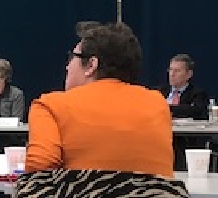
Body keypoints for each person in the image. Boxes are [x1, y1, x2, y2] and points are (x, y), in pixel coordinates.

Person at [26, 22, 173, 176]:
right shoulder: (159, 104)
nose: (67, 66)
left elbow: (39, 175)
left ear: (91, 65)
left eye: (72, 57)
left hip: (82, 192)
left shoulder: (50, 106)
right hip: (152, 193)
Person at [163, 53, 209, 120]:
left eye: (177, 71)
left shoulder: (197, 94)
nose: (172, 74)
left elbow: (196, 111)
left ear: (189, 74)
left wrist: (164, 108)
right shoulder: (158, 92)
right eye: (170, 70)